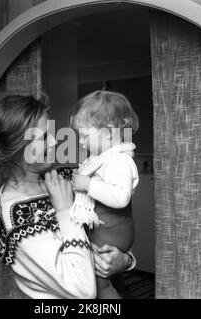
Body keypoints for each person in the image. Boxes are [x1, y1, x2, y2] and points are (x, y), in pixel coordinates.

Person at [0, 92, 135, 299]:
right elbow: (82, 290)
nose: (54, 142)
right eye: (44, 137)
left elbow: (113, 226)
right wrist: (63, 210)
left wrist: (125, 261)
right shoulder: (16, 217)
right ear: (18, 149)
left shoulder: (69, 176)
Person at [68, 90, 140, 299]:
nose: (80, 142)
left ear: (108, 132)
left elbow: (120, 197)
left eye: (84, 135)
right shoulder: (102, 159)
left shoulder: (119, 160)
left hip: (111, 233)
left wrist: (87, 184)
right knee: (109, 280)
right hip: (105, 230)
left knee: (99, 286)